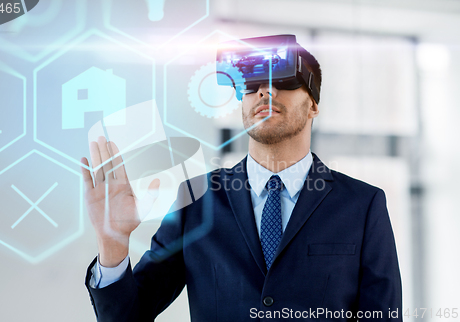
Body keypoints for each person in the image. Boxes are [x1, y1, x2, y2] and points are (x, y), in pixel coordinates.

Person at [81, 41, 402, 321]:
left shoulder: (362, 205)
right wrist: (112, 246)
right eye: (252, 85)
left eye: (286, 80)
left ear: (314, 105)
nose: (265, 90)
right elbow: (129, 317)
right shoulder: (195, 198)